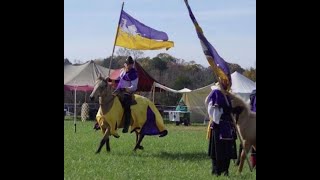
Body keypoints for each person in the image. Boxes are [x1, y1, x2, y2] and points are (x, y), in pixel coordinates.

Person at [206, 83, 237, 176]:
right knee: (218, 150)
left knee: (227, 150)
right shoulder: (215, 93)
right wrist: (224, 111)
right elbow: (213, 110)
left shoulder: (227, 95)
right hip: (218, 126)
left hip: (228, 126)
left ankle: (225, 170)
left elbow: (232, 102)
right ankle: (217, 171)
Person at [113, 56, 139, 134]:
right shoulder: (122, 71)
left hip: (127, 93)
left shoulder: (134, 74)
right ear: (125, 64)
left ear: (132, 64)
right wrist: (110, 79)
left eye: (130, 64)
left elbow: (134, 87)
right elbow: (118, 80)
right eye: (128, 64)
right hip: (118, 90)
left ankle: (126, 124)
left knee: (126, 105)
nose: (129, 65)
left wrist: (125, 88)